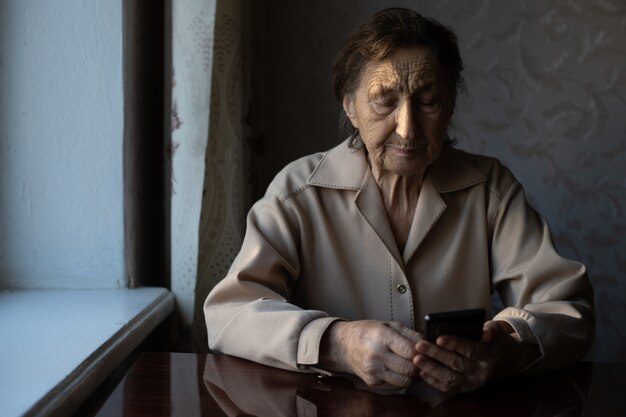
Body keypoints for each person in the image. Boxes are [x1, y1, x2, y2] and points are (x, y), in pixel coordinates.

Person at [204, 7, 595, 394]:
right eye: (384, 101)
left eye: (428, 102)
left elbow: (568, 311)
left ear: (451, 106)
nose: (407, 129)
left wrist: (508, 348)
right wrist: (335, 343)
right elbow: (229, 314)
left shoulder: (489, 189)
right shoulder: (297, 193)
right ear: (349, 105)